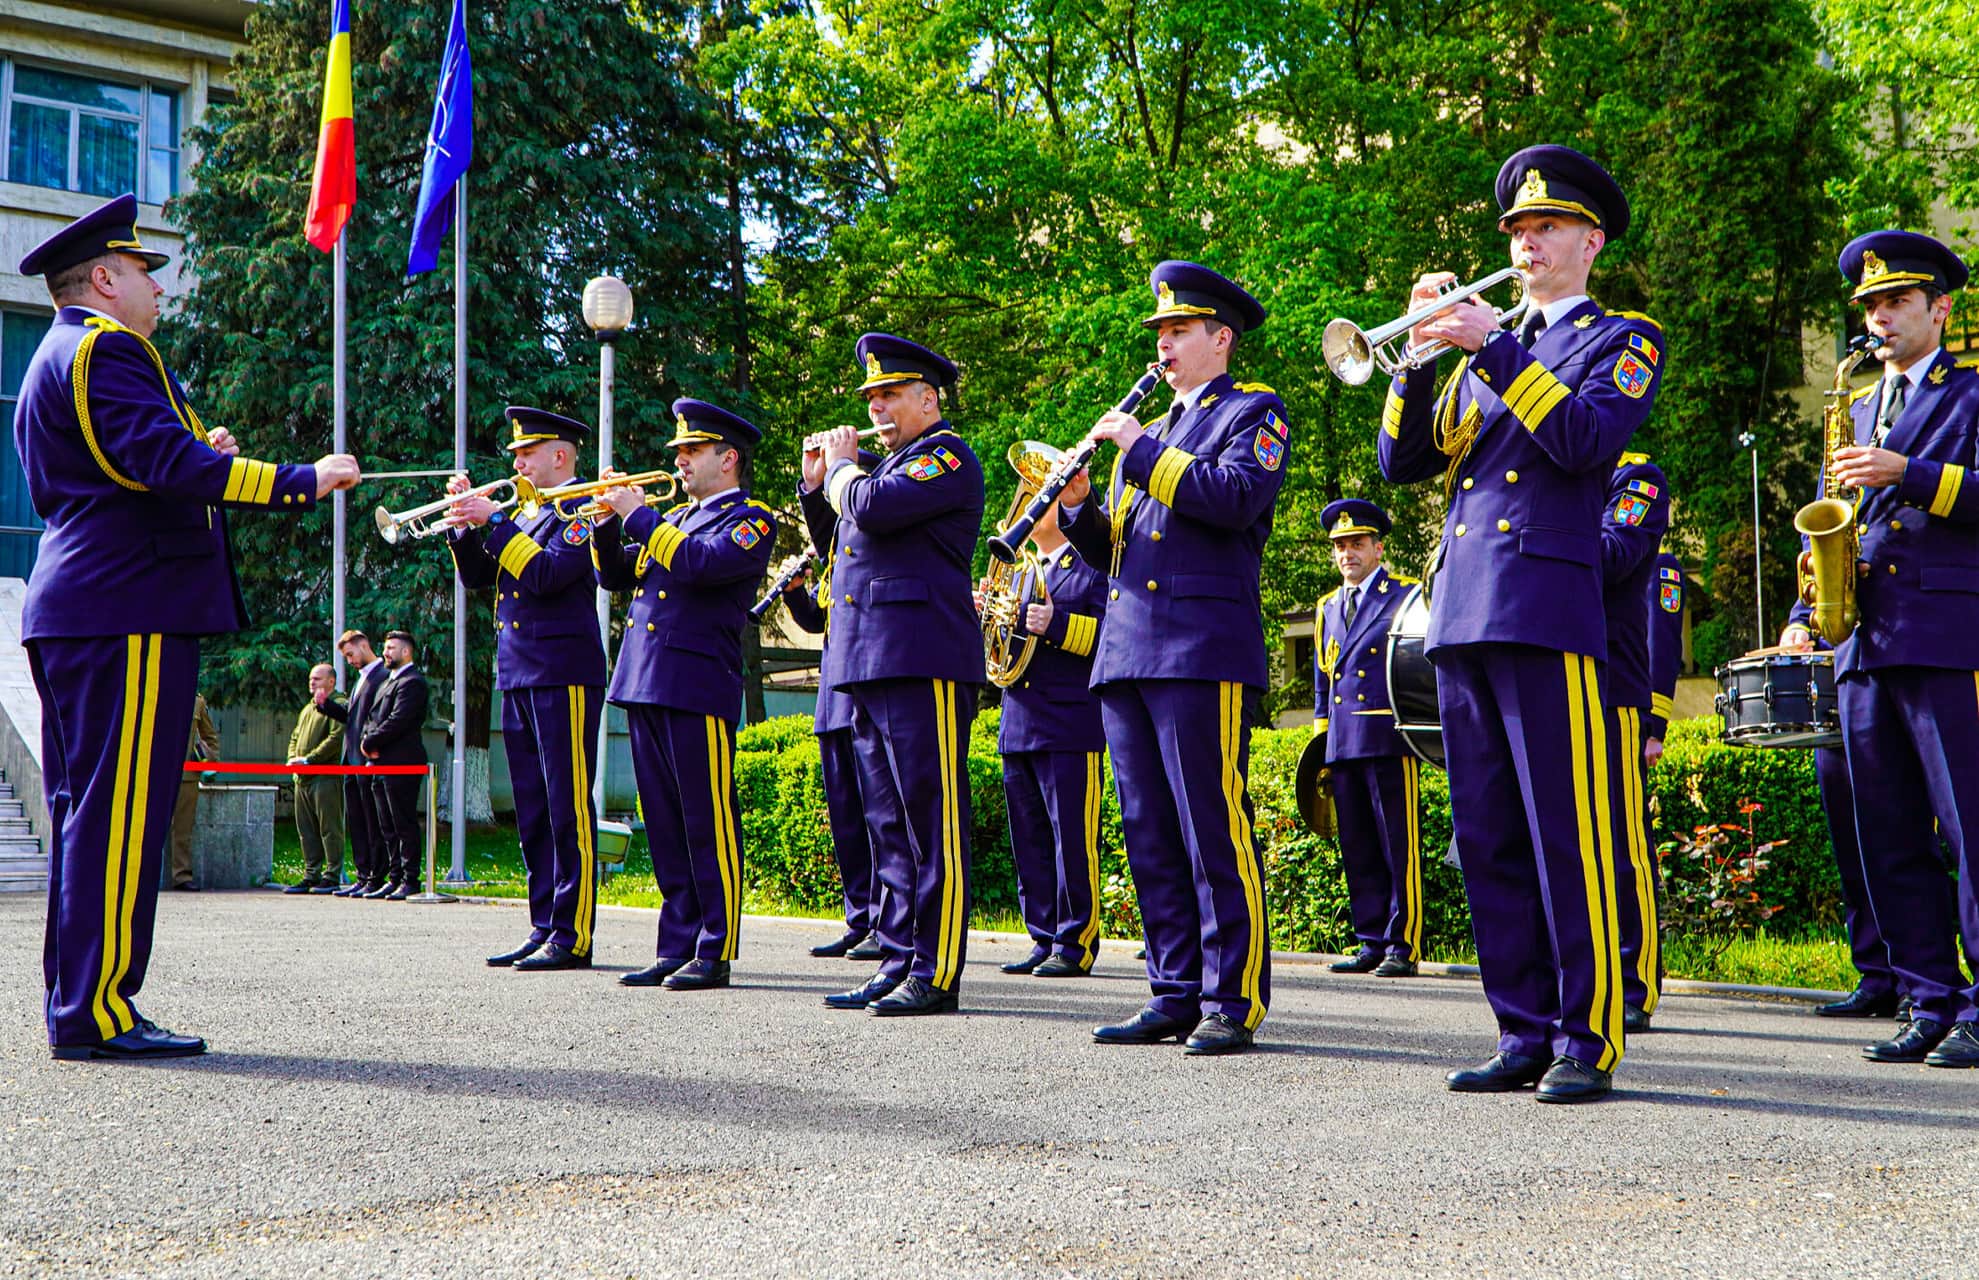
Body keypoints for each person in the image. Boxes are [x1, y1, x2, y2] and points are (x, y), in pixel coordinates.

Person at [13, 192, 359, 1060]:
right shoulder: (111, 347)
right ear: (101, 278)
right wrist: (296, 479)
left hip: (84, 604)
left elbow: (133, 471)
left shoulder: (60, 354)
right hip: (124, 607)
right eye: (142, 274)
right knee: (121, 813)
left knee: (89, 810)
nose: (157, 293)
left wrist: (209, 459)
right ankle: (98, 1011)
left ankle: (81, 1001)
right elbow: (163, 463)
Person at [1378, 146, 1663, 1102]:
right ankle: (1521, 1030)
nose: (1526, 241)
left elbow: (1583, 441)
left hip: (1544, 607)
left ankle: (1586, 1038)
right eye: (1516, 230)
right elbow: (1400, 463)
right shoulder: (1474, 346)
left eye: (1544, 228)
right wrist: (1418, 355)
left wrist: (1491, 346)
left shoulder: (1622, 338)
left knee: (1563, 833)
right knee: (1490, 835)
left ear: (1589, 241)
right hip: (1461, 612)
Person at [1058, 261, 1285, 1056]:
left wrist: (1138, 446)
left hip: (1198, 646)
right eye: (1159, 331)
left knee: (1209, 825)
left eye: (1178, 329)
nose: (1163, 343)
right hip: (1127, 648)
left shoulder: (1251, 412)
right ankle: (1171, 990)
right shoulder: (1146, 439)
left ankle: (1232, 998)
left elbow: (1232, 498)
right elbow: (1113, 554)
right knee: (1148, 828)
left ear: (1219, 338)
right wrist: (1080, 505)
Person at [1795, 231, 1979, 1068]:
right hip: (1863, 641)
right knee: (1888, 830)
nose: (1878, 316)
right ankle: (1927, 997)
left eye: (1896, 300)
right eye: (1869, 305)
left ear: (1939, 308)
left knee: (1970, 827)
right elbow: (1843, 521)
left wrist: (1905, 471)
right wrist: (1812, 591)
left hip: (1947, 636)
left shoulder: (1971, 391)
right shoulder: (1858, 403)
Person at [808, 334, 985, 1017]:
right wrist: (815, 481)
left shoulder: (945, 455)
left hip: (922, 659)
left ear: (927, 398)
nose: (877, 409)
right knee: (885, 821)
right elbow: (839, 541)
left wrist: (842, 470)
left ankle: (936, 969)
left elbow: (872, 509)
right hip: (871, 660)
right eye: (871, 398)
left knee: (928, 821)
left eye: (889, 395)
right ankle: (897, 954)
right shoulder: (882, 471)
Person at [595, 399, 776, 991]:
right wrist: (604, 524)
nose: (680, 461)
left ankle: (714, 946)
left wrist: (641, 517)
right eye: (679, 452)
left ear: (728, 459)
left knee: (707, 819)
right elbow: (615, 575)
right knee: (666, 823)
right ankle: (675, 943)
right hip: (647, 679)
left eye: (692, 452)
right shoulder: (676, 518)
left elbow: (699, 567)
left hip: (697, 683)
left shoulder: (750, 519)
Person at [445, 407, 608, 971]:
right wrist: (465, 526)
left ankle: (573, 933)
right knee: (534, 811)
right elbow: (477, 578)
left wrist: (493, 522)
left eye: (526, 453)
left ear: (559, 456)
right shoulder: (526, 514)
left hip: (563, 673)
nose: (515, 462)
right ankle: (543, 923)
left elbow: (544, 576)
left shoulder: (580, 512)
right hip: (519, 672)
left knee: (568, 809)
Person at [985, 470, 1109, 979]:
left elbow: (1108, 636)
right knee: (1030, 838)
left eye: (1039, 501)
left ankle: (1075, 941)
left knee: (1072, 840)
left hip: (1070, 721)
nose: (1028, 511)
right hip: (1020, 721)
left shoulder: (1093, 565)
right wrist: (991, 617)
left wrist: (1053, 624)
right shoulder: (1019, 571)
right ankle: (1042, 935)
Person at [779, 449, 886, 963]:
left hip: (861, 693)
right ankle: (859, 916)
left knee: (876, 818)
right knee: (846, 817)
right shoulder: (836, 561)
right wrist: (795, 594)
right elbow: (820, 622)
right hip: (832, 699)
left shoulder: (867, 548)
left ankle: (884, 920)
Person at [1312, 498, 1422, 979]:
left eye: (1356, 543)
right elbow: (1322, 681)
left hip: (1388, 733)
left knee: (1397, 843)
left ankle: (1404, 942)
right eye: (1339, 546)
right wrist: (1321, 742)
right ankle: (1370, 937)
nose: (1346, 553)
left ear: (1379, 548)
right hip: (1343, 739)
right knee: (1356, 844)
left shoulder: (1405, 597)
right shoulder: (1327, 607)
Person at [1599, 454, 1672, 1032]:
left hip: (1613, 690)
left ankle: (1635, 980)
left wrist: (1657, 722)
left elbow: (1614, 554)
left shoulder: (1634, 475)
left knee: (1623, 844)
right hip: (1554, 683)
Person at [360, 631, 429, 900]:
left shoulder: (412, 682)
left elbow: (399, 720)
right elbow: (372, 717)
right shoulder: (389, 682)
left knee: (403, 822)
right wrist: (368, 740)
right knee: (386, 824)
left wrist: (372, 740)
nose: (386, 652)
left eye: (392, 648)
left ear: (406, 652)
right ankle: (395, 876)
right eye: (385, 647)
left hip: (402, 761)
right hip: (381, 761)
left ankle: (411, 879)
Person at [320, 630, 388, 896]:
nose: (349, 660)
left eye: (350, 654)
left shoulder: (382, 675)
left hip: (367, 757)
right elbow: (353, 716)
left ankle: (375, 875)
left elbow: (375, 717)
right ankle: (363, 874)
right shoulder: (362, 679)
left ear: (364, 645)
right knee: (357, 819)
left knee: (372, 819)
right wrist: (326, 705)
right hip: (351, 757)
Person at [284, 664, 346, 894]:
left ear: (331, 681)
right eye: (311, 678)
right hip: (302, 777)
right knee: (306, 829)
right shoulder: (308, 708)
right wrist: (293, 758)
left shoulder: (336, 705)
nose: (312, 682)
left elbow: (335, 738)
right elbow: (295, 737)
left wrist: (310, 759)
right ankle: (311, 874)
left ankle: (331, 875)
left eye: (318, 679)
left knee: (329, 828)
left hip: (325, 776)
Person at [167, 692, 221, 891]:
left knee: (182, 829)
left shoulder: (197, 701)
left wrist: (208, 760)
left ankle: (181, 876)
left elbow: (210, 737)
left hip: (186, 775)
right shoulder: (152, 690)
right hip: (154, 775)